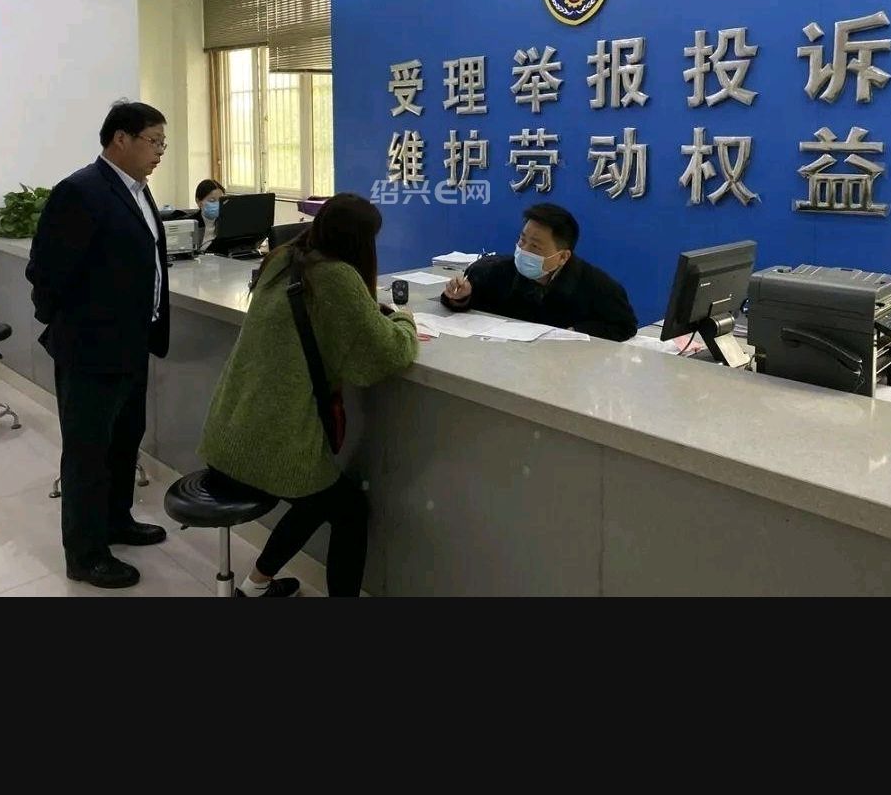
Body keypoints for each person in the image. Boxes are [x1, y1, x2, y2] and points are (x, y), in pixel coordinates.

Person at [198, 192, 417, 596]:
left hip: (228, 435)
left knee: (320, 497)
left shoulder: (284, 258)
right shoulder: (337, 277)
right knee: (348, 508)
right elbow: (385, 356)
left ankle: (256, 586)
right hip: (273, 447)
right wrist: (405, 320)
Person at [26, 100, 171, 589]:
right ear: (120, 139)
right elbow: (46, 272)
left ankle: (116, 520)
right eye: (153, 141)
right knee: (87, 454)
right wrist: (76, 328)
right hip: (91, 350)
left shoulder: (138, 191)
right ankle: (85, 555)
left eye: (163, 143)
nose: (160, 152)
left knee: (123, 441)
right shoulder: (81, 191)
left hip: (132, 344)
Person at [441, 202, 638, 341]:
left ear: (563, 257)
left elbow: (625, 327)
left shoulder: (599, 287)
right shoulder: (492, 271)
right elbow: (465, 303)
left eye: (535, 246)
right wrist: (460, 297)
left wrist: (576, 331)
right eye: (522, 239)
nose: (523, 250)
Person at [194, 178, 226, 251]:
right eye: (212, 200)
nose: (217, 204)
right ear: (198, 201)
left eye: (220, 200)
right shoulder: (191, 224)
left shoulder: (226, 223)